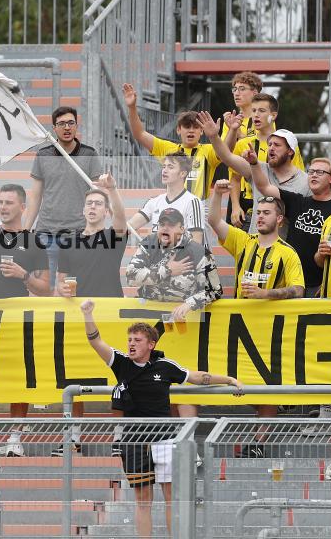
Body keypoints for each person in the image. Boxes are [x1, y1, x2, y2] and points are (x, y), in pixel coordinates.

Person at [79, 298, 241, 539]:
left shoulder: (164, 366)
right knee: (143, 500)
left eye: (137, 340)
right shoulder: (121, 363)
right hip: (134, 442)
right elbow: (95, 341)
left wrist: (229, 380)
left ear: (151, 344)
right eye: (130, 340)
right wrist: (87, 314)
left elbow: (197, 377)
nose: (131, 344)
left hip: (165, 440)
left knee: (170, 498)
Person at [208, 179, 303, 426]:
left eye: (266, 213)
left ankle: (260, 440)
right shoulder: (244, 241)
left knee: (266, 387)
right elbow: (215, 222)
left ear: (279, 219)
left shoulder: (287, 252)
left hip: (269, 332)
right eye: (258, 213)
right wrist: (218, 196)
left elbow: (299, 289)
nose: (259, 217)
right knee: (237, 383)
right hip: (238, 329)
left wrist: (265, 294)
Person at [0, 184, 51, 457]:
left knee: (21, 374)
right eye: (0, 202)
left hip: (18, 315)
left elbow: (45, 288)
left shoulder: (34, 241)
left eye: (9, 203)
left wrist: (23, 275)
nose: (3, 207)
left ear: (22, 207)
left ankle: (16, 436)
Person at [54, 173, 128, 452]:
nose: (93, 207)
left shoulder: (112, 237)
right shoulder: (69, 241)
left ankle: (119, 436)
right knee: (76, 376)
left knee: (118, 376)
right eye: (90, 203)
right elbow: (60, 280)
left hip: (110, 314)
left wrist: (113, 188)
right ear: (83, 209)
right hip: (79, 315)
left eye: (99, 203)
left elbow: (122, 222)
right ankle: (73, 437)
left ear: (106, 211)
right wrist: (62, 290)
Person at [126, 207, 223, 418]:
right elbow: (131, 275)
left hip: (183, 328)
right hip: (151, 327)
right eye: (162, 224)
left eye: (170, 224)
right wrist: (167, 270)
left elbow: (215, 290)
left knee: (183, 386)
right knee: (151, 384)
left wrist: (191, 302)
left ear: (181, 228)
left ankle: (185, 445)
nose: (165, 228)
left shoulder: (197, 251)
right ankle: (160, 440)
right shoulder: (149, 243)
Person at [25, 106, 102, 288]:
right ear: (54, 128)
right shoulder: (43, 155)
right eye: (61, 124)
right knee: (46, 288)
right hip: (47, 233)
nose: (66, 128)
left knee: (74, 288)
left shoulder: (89, 154)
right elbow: (35, 197)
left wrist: (96, 230)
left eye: (70, 123)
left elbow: (97, 195)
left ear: (76, 125)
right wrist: (26, 231)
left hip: (79, 233)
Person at [202, 111, 309, 234]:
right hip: (255, 247)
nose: (271, 148)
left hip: (286, 250)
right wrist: (214, 137)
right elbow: (227, 157)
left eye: (277, 145)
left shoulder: (305, 182)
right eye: (269, 144)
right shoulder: (258, 169)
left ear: (290, 151)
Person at [248, 153, 331, 297]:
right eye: (311, 172)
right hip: (290, 282)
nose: (313, 175)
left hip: (321, 284)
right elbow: (264, 187)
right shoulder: (297, 201)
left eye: (320, 172)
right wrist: (254, 163)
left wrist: (328, 283)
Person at [122, 83, 226, 199]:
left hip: (199, 206)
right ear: (178, 130)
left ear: (201, 131)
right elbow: (139, 134)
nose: (191, 131)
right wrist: (132, 108)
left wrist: (217, 135)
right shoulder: (169, 149)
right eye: (187, 127)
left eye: (195, 127)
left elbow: (227, 153)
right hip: (173, 206)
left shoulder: (209, 150)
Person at [226, 93, 305, 230]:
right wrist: (235, 206)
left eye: (262, 111)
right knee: (246, 250)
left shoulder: (288, 146)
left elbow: (297, 178)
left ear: (273, 116)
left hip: (276, 206)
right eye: (254, 110)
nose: (256, 115)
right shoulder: (243, 144)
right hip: (248, 206)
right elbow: (235, 178)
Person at [127, 152, 205, 244]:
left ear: (183, 173)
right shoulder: (153, 201)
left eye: (170, 167)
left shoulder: (193, 202)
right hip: (156, 257)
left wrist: (172, 256)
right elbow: (128, 226)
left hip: (181, 257)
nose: (164, 170)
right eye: (164, 167)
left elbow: (196, 243)